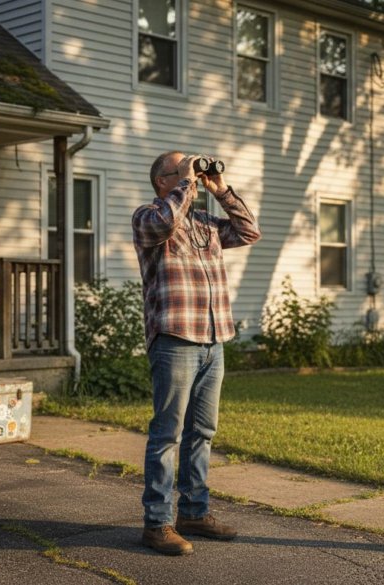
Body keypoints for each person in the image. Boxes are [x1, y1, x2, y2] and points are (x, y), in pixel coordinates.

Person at [131, 151, 262, 556]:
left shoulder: (205, 223)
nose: (194, 176)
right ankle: (157, 524)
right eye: (183, 171)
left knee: (202, 433)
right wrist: (189, 181)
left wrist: (220, 190)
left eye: (194, 171)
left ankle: (194, 513)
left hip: (214, 339)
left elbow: (248, 231)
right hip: (174, 339)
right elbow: (167, 221)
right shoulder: (147, 217)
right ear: (162, 181)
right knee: (167, 434)